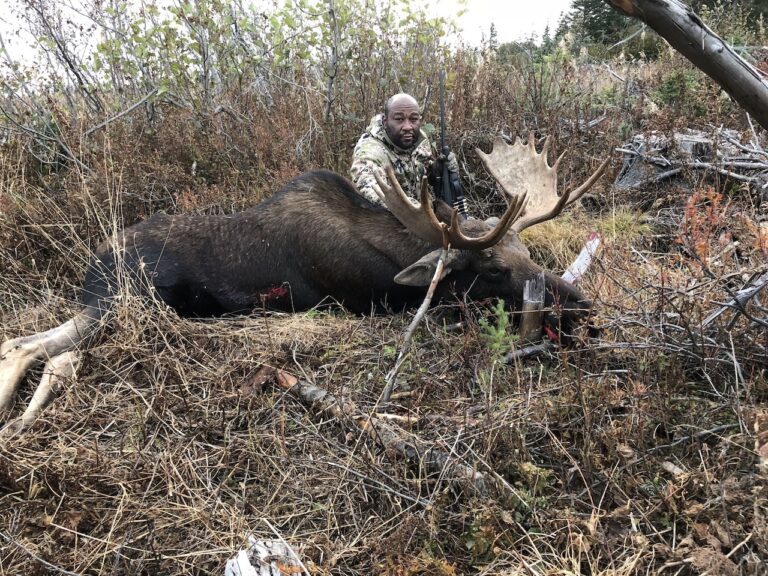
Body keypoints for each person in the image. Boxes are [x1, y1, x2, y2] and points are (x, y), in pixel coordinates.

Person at [350, 92, 459, 206]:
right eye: (399, 119)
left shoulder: (419, 139)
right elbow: (370, 188)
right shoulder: (370, 151)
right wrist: (418, 210)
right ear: (385, 121)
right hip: (389, 220)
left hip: (425, 214)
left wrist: (439, 169)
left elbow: (426, 170)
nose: (408, 127)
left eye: (413, 119)